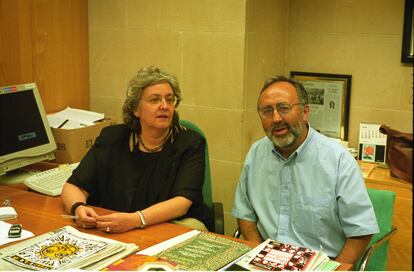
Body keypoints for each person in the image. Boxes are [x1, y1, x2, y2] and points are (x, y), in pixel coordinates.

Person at [232, 75, 379, 265]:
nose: (276, 118)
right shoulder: (256, 153)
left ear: (305, 112)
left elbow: (361, 231)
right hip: (265, 260)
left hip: (320, 265)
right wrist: (257, 254)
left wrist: (335, 269)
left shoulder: (339, 160)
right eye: (267, 111)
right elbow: (245, 214)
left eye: (284, 108)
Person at [62, 66, 212, 233]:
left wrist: (136, 220)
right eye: (155, 100)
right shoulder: (111, 138)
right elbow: (74, 186)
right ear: (135, 109)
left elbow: (182, 203)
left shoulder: (190, 142)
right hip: (118, 228)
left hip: (170, 226)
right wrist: (78, 208)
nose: (164, 106)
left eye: (169, 99)